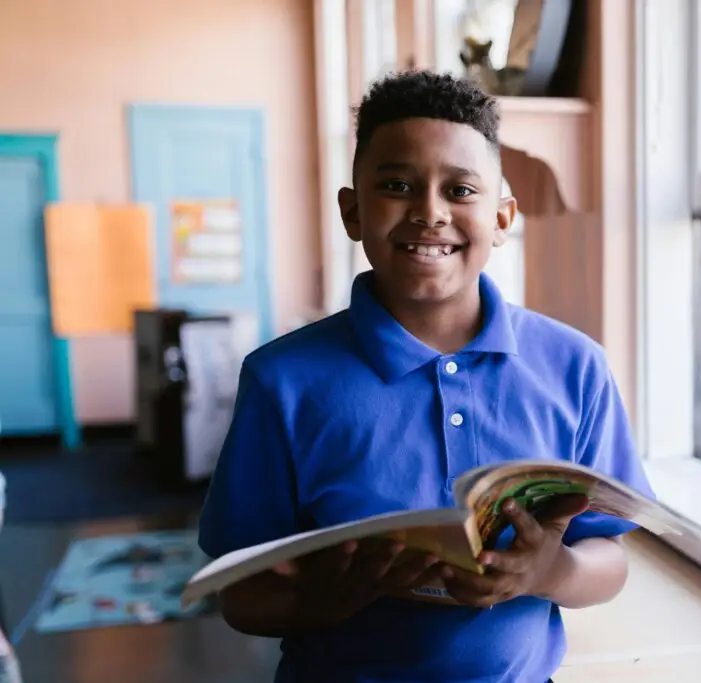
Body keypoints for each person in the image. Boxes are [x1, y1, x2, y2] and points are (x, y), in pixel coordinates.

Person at [197, 70, 655, 683]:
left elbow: (608, 555)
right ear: (353, 211)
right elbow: (241, 598)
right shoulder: (283, 381)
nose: (429, 212)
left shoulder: (575, 368)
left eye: (461, 189)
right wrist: (330, 598)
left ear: (501, 217)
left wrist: (548, 574)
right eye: (396, 184)